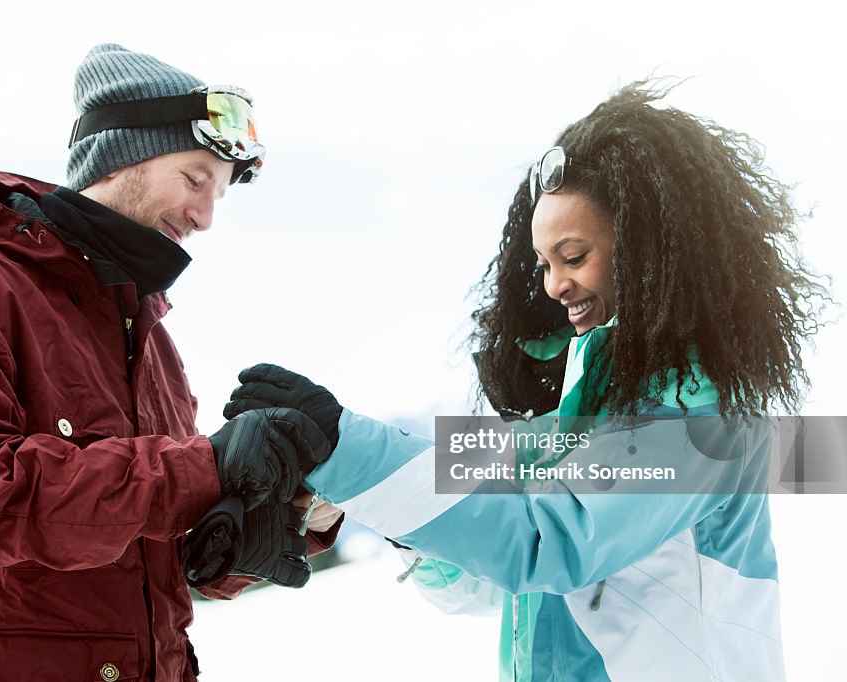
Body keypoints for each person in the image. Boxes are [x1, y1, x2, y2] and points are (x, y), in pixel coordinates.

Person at [223, 80, 827, 681]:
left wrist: (340, 443)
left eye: (573, 255)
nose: (552, 285)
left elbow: (548, 543)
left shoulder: (698, 419)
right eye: (542, 263)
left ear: (650, 251)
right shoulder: (580, 416)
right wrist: (374, 504)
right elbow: (479, 583)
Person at [0, 44, 338, 682]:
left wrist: (296, 500)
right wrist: (207, 466)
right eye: (195, 180)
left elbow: (172, 550)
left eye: (218, 195)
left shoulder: (146, 337)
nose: (205, 217)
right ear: (119, 158)